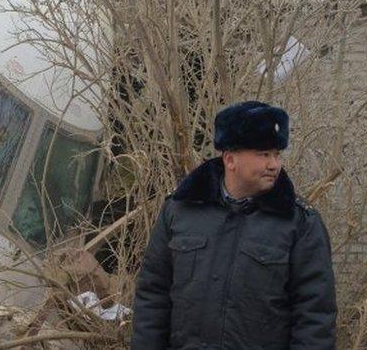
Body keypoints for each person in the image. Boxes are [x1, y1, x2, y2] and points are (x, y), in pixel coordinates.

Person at [132, 101, 336, 349]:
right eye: (263, 154)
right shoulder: (180, 210)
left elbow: (315, 317)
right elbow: (153, 296)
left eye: (276, 154)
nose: (274, 164)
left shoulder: (300, 224)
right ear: (230, 159)